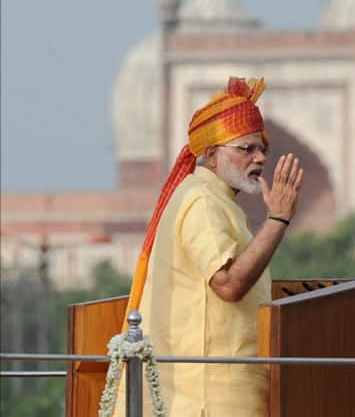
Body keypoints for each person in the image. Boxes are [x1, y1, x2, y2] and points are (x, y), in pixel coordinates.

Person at [116, 76, 303, 416]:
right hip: (209, 396)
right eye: (246, 149)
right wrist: (277, 219)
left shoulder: (217, 203)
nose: (259, 158)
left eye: (262, 149)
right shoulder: (201, 202)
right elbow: (229, 284)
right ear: (212, 155)